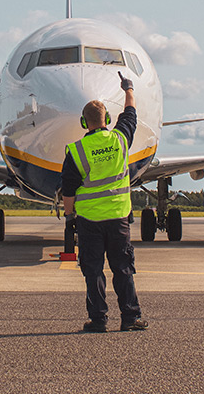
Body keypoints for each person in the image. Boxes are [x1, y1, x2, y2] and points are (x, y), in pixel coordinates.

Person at [61, 71, 148, 333]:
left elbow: (68, 190)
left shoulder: (76, 150)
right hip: (119, 218)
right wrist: (128, 89)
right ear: (108, 119)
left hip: (89, 221)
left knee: (93, 272)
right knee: (123, 269)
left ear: (82, 122)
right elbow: (130, 114)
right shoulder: (120, 140)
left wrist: (69, 217)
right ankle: (130, 319)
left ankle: (98, 320)